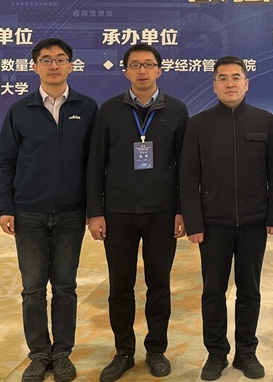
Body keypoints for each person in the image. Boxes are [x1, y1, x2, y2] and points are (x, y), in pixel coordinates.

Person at [0, 38, 97, 382]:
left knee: (65, 286)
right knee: (33, 288)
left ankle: (62, 353)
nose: (54, 65)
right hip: (29, 213)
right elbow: (5, 163)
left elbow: (96, 164)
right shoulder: (20, 110)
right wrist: (6, 207)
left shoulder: (87, 107)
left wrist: (94, 208)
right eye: (47, 59)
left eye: (61, 59)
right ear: (35, 66)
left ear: (71, 66)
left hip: (71, 212)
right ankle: (39, 354)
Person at [86, 44, 189, 382]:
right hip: (118, 212)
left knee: (159, 284)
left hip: (162, 212)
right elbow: (95, 164)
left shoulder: (177, 110)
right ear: (126, 71)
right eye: (135, 65)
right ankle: (124, 352)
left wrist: (181, 210)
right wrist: (95, 212)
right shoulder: (109, 110)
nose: (142, 71)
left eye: (148, 64)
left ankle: (156, 349)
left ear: (160, 69)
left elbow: (185, 167)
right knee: (120, 286)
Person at [180, 56, 273, 381]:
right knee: (213, 292)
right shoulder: (199, 124)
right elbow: (188, 176)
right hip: (213, 225)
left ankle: (246, 352)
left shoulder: (264, 120)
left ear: (246, 83)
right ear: (214, 85)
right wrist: (195, 223)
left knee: (249, 290)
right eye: (222, 78)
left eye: (236, 77)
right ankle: (216, 353)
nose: (229, 83)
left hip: (254, 223)